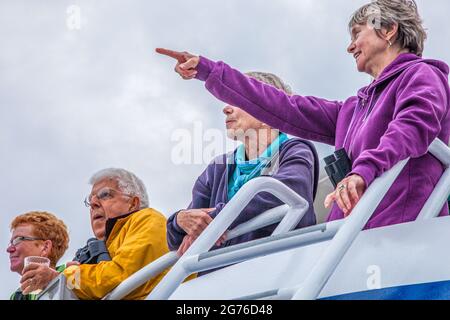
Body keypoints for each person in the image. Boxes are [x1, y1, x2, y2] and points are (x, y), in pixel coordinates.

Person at [157, 0, 450, 229]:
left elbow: (413, 125)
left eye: (357, 33)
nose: (349, 46)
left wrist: (364, 170)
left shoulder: (422, 75)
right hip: (347, 242)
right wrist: (209, 70)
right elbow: (282, 106)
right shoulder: (350, 110)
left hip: (403, 235)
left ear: (388, 30)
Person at [167, 72, 319, 259]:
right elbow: (179, 236)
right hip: (217, 278)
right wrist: (179, 220)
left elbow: (284, 195)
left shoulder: (296, 150)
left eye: (237, 100)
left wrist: (214, 221)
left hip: (277, 273)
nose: (226, 109)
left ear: (269, 111)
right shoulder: (218, 168)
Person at [22, 168, 170, 300]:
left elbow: (118, 275)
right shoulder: (103, 247)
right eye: (90, 200)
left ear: (133, 203)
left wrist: (61, 277)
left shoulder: (148, 218)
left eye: (105, 195)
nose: (93, 204)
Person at [7, 211, 69, 300]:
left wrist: (59, 281)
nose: (9, 249)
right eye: (11, 242)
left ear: (45, 247)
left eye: (18, 240)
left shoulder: (74, 277)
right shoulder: (17, 297)